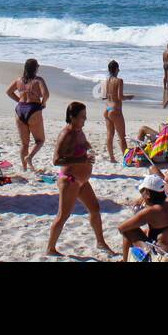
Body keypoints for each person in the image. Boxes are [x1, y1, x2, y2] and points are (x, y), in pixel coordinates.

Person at [46, 102, 114, 257]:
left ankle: (100, 242)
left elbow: (84, 144)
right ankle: (50, 248)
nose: (85, 119)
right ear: (72, 117)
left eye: (85, 116)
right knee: (63, 215)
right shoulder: (66, 135)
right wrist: (81, 161)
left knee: (95, 208)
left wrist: (89, 149)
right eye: (82, 116)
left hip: (82, 180)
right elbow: (56, 160)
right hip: (69, 180)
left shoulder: (79, 131)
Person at [118, 175, 168, 262]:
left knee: (128, 231)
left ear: (148, 194)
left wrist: (141, 212)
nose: (141, 196)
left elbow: (121, 227)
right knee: (147, 232)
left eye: (142, 192)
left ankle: (125, 260)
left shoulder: (151, 211)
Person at [6, 58, 50, 170]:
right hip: (33, 109)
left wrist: (19, 100)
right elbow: (46, 94)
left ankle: (24, 168)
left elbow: (8, 92)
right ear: (35, 68)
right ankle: (29, 157)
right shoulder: (38, 80)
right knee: (40, 140)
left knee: (24, 144)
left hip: (20, 110)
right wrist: (43, 104)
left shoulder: (18, 80)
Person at [102, 60, 134, 163]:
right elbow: (120, 97)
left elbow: (104, 97)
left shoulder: (105, 81)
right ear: (116, 69)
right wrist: (129, 97)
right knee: (122, 137)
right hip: (116, 110)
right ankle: (126, 160)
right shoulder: (119, 80)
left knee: (109, 135)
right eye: (118, 69)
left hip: (107, 109)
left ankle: (112, 158)